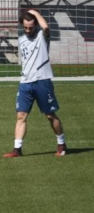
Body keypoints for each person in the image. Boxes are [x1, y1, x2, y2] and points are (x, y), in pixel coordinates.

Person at [3, 10, 66, 158]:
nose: (28, 30)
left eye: (30, 27)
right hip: (25, 82)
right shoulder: (21, 39)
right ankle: (17, 149)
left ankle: (61, 143)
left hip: (42, 80)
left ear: (35, 25)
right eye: (25, 27)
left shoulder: (42, 36)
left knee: (50, 115)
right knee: (21, 116)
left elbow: (45, 27)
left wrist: (35, 13)